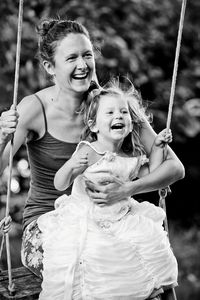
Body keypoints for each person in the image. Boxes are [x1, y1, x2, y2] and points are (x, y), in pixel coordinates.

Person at [0, 17, 184, 281]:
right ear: (49, 66)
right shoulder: (33, 109)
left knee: (144, 260)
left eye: (87, 55)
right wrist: (2, 137)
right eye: (71, 58)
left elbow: (174, 167)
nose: (82, 65)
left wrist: (128, 189)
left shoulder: (114, 108)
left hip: (107, 221)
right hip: (47, 224)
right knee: (93, 265)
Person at [37, 82, 178, 300]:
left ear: (131, 125)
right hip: (86, 217)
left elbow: (153, 171)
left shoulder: (131, 157)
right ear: (94, 126)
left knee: (149, 238)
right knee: (95, 253)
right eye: (110, 112)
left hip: (120, 217)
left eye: (124, 112)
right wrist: (72, 165)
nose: (119, 116)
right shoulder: (89, 151)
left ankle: (144, 288)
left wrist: (158, 147)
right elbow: (60, 184)